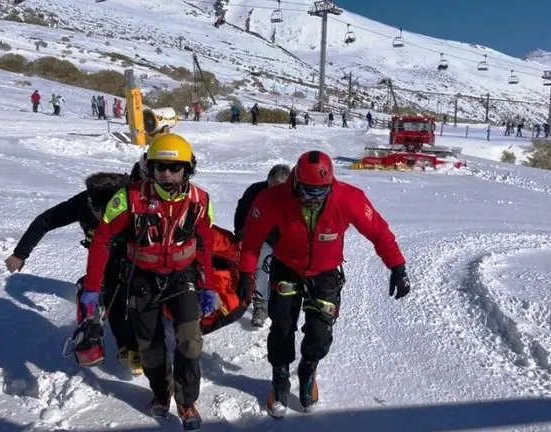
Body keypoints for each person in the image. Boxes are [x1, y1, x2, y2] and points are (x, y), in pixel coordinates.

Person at [236, 150, 411, 419]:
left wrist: (397, 266)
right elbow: (251, 242)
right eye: (306, 191)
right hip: (287, 267)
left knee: (320, 333)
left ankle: (308, 370)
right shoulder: (273, 198)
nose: (312, 199)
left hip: (326, 272)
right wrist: (246, 274)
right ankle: (280, 379)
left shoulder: (349, 198)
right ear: (294, 182)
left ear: (330, 185)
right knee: (282, 326)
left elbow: (378, 231)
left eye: (319, 193)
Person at [80, 133, 214, 431]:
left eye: (174, 167)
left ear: (188, 168)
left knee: (190, 342)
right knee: (150, 345)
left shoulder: (200, 200)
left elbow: (205, 242)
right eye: (159, 167)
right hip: (142, 279)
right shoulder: (128, 197)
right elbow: (102, 240)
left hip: (183, 277)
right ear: (149, 167)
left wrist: (210, 286)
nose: (166, 174)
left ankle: (186, 400)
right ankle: (161, 393)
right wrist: (92, 287)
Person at [4, 171, 144, 375]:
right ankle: (94, 342)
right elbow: (46, 220)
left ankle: (140, 344)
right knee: (89, 292)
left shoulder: (134, 202)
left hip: (139, 263)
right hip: (104, 267)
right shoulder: (82, 203)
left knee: (130, 297)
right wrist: (20, 253)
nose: (103, 218)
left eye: (106, 212)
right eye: (97, 211)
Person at [233, 164, 291, 327]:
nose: (273, 191)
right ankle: (261, 305)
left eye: (278, 188)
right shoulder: (255, 191)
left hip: (285, 240)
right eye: (270, 186)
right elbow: (242, 211)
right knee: (261, 267)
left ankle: (282, 303)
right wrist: (240, 232)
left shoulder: (295, 196)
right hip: (260, 237)